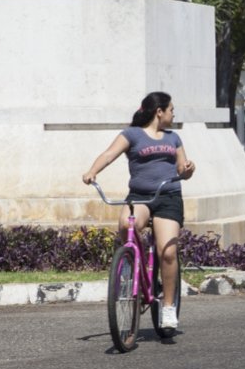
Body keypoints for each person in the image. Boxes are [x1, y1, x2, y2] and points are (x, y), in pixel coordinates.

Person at [82, 91, 195, 329]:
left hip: (168, 197)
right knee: (126, 225)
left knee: (167, 253)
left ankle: (168, 307)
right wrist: (93, 171)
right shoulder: (131, 134)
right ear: (159, 112)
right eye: (171, 109)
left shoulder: (174, 138)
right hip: (140, 197)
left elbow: (183, 169)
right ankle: (133, 265)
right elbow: (109, 154)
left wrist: (188, 170)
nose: (174, 114)